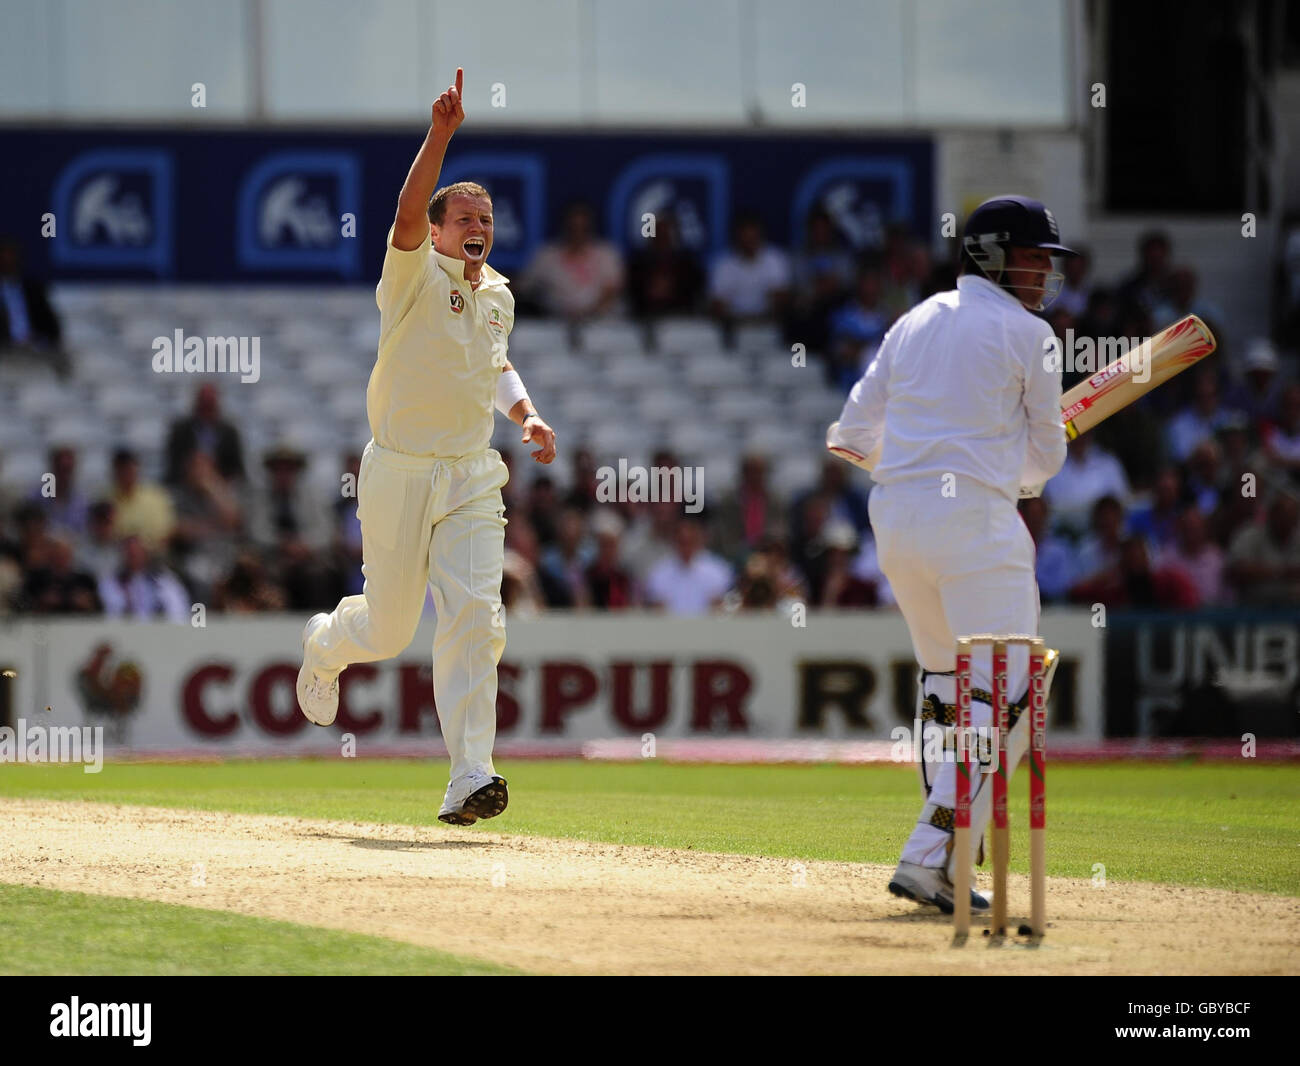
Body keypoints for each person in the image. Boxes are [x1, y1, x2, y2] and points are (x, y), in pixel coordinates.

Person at [295, 68, 557, 827]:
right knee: (389, 628)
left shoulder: (500, 293)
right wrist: (441, 134)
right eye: (465, 215)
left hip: (473, 473)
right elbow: (409, 208)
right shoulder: (410, 274)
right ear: (440, 231)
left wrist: (528, 416)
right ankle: (324, 644)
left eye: (488, 217)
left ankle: (470, 774)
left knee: (478, 613)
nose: (479, 225)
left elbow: (495, 364)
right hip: (400, 468)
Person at [827, 194, 1073, 915]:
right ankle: (930, 852)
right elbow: (1048, 461)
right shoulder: (1032, 335)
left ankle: (947, 860)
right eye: (1032, 256)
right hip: (976, 526)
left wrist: (915, 467)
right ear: (993, 254)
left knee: (945, 686)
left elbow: (848, 435)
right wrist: (1005, 473)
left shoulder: (914, 320)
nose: (1042, 272)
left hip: (895, 521)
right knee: (1013, 697)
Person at [164, 383, 246, 485]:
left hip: (222, 480)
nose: (206, 410)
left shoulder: (229, 433)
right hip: (187, 483)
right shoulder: (181, 431)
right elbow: (173, 465)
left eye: (210, 405)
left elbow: (237, 468)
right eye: (204, 405)